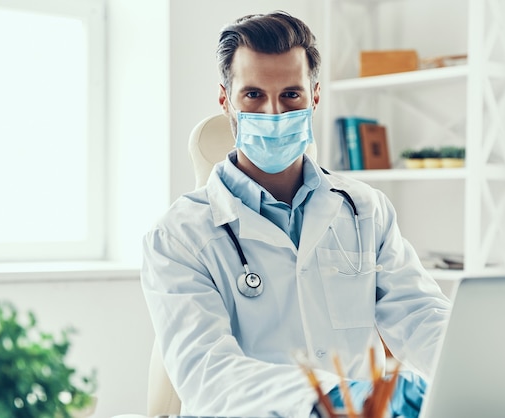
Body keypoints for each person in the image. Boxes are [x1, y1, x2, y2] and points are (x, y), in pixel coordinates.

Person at [141, 11, 451, 418]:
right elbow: (208, 373)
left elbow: (420, 315)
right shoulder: (177, 236)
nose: (274, 113)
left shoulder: (364, 210)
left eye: (291, 95)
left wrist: (475, 371)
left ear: (314, 96)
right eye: (253, 95)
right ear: (225, 101)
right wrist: (338, 399)